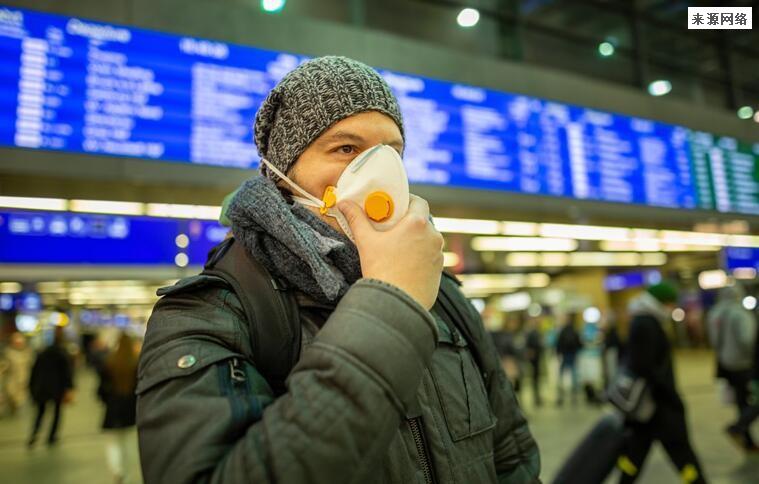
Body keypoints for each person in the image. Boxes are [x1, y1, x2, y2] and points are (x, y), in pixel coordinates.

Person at [136, 56, 540, 484]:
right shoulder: (210, 315)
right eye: (346, 148)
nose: (379, 173)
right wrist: (391, 302)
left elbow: (512, 458)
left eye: (391, 153)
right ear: (282, 174)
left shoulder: (444, 296)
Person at [616, 283, 706, 483]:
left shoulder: (644, 321)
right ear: (662, 302)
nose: (673, 308)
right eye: (671, 303)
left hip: (647, 408)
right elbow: (646, 366)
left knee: (636, 454)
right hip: (657, 404)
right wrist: (670, 396)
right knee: (681, 453)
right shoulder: (646, 324)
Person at [706, 285, 757, 450]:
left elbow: (713, 340)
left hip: (725, 363)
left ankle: (746, 438)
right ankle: (740, 428)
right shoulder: (740, 314)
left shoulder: (714, 313)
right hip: (744, 364)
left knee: (741, 401)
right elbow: (747, 341)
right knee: (752, 399)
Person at [99, 332, 139, 483]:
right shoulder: (136, 363)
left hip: (112, 408)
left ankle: (117, 470)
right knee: (129, 443)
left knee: (113, 443)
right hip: (130, 409)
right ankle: (127, 476)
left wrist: (106, 400)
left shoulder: (109, 362)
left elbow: (101, 388)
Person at [28, 326, 74, 448]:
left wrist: (32, 387)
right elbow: (67, 373)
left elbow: (34, 372)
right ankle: (52, 436)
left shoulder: (42, 354)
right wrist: (69, 388)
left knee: (40, 413)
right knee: (57, 413)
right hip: (57, 388)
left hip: (42, 388)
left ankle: (34, 435)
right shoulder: (62, 354)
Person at [556, 313, 582, 406]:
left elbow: (558, 343)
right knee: (574, 376)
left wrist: (558, 353)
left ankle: (560, 396)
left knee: (561, 376)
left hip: (565, 355)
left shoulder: (562, 331)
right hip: (573, 355)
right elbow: (580, 343)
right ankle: (574, 397)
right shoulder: (575, 330)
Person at [5, 332, 33, 415]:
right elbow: (6, 365)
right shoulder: (9, 353)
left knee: (20, 398)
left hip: (23, 379)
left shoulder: (27, 353)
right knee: (11, 394)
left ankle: (15, 408)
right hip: (12, 379)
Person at [525, 317, 543, 407]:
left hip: (537, 358)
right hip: (534, 359)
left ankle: (537, 396)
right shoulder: (532, 333)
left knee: (536, 378)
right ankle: (536, 397)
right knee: (535, 378)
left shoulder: (534, 333)